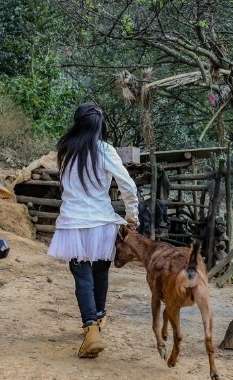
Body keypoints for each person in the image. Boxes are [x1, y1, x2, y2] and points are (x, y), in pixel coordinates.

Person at [47, 102, 139, 358]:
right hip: (101, 224)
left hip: (74, 224)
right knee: (100, 273)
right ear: (100, 125)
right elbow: (127, 184)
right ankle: (97, 320)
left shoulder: (66, 151)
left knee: (83, 278)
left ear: (77, 125)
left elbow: (65, 188)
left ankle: (91, 329)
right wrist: (132, 217)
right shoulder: (105, 150)